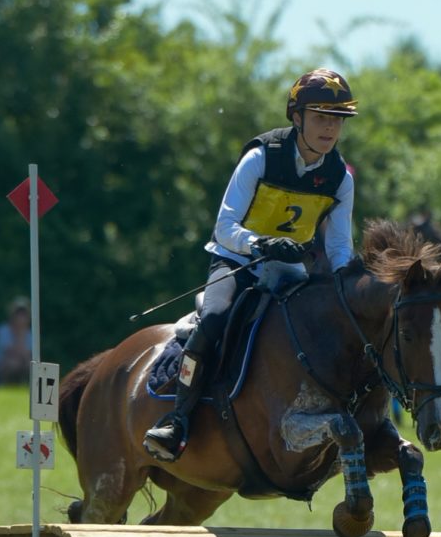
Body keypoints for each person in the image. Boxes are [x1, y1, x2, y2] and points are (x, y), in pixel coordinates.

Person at [144, 67, 358, 462]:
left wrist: (344, 286)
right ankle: (178, 419)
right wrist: (260, 243)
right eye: (321, 118)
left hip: (292, 273)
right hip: (238, 263)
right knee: (214, 320)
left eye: (337, 120)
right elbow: (224, 226)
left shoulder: (339, 178)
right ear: (297, 118)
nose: (330, 129)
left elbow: (340, 246)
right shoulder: (261, 157)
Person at [0, 297, 32, 384]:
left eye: (24, 315)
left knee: (31, 365)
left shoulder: (29, 334)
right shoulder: (2, 330)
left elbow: (27, 355)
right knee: (13, 363)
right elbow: (9, 352)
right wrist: (20, 336)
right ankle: (1, 384)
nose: (21, 318)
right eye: (18, 314)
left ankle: (23, 385)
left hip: (19, 362)